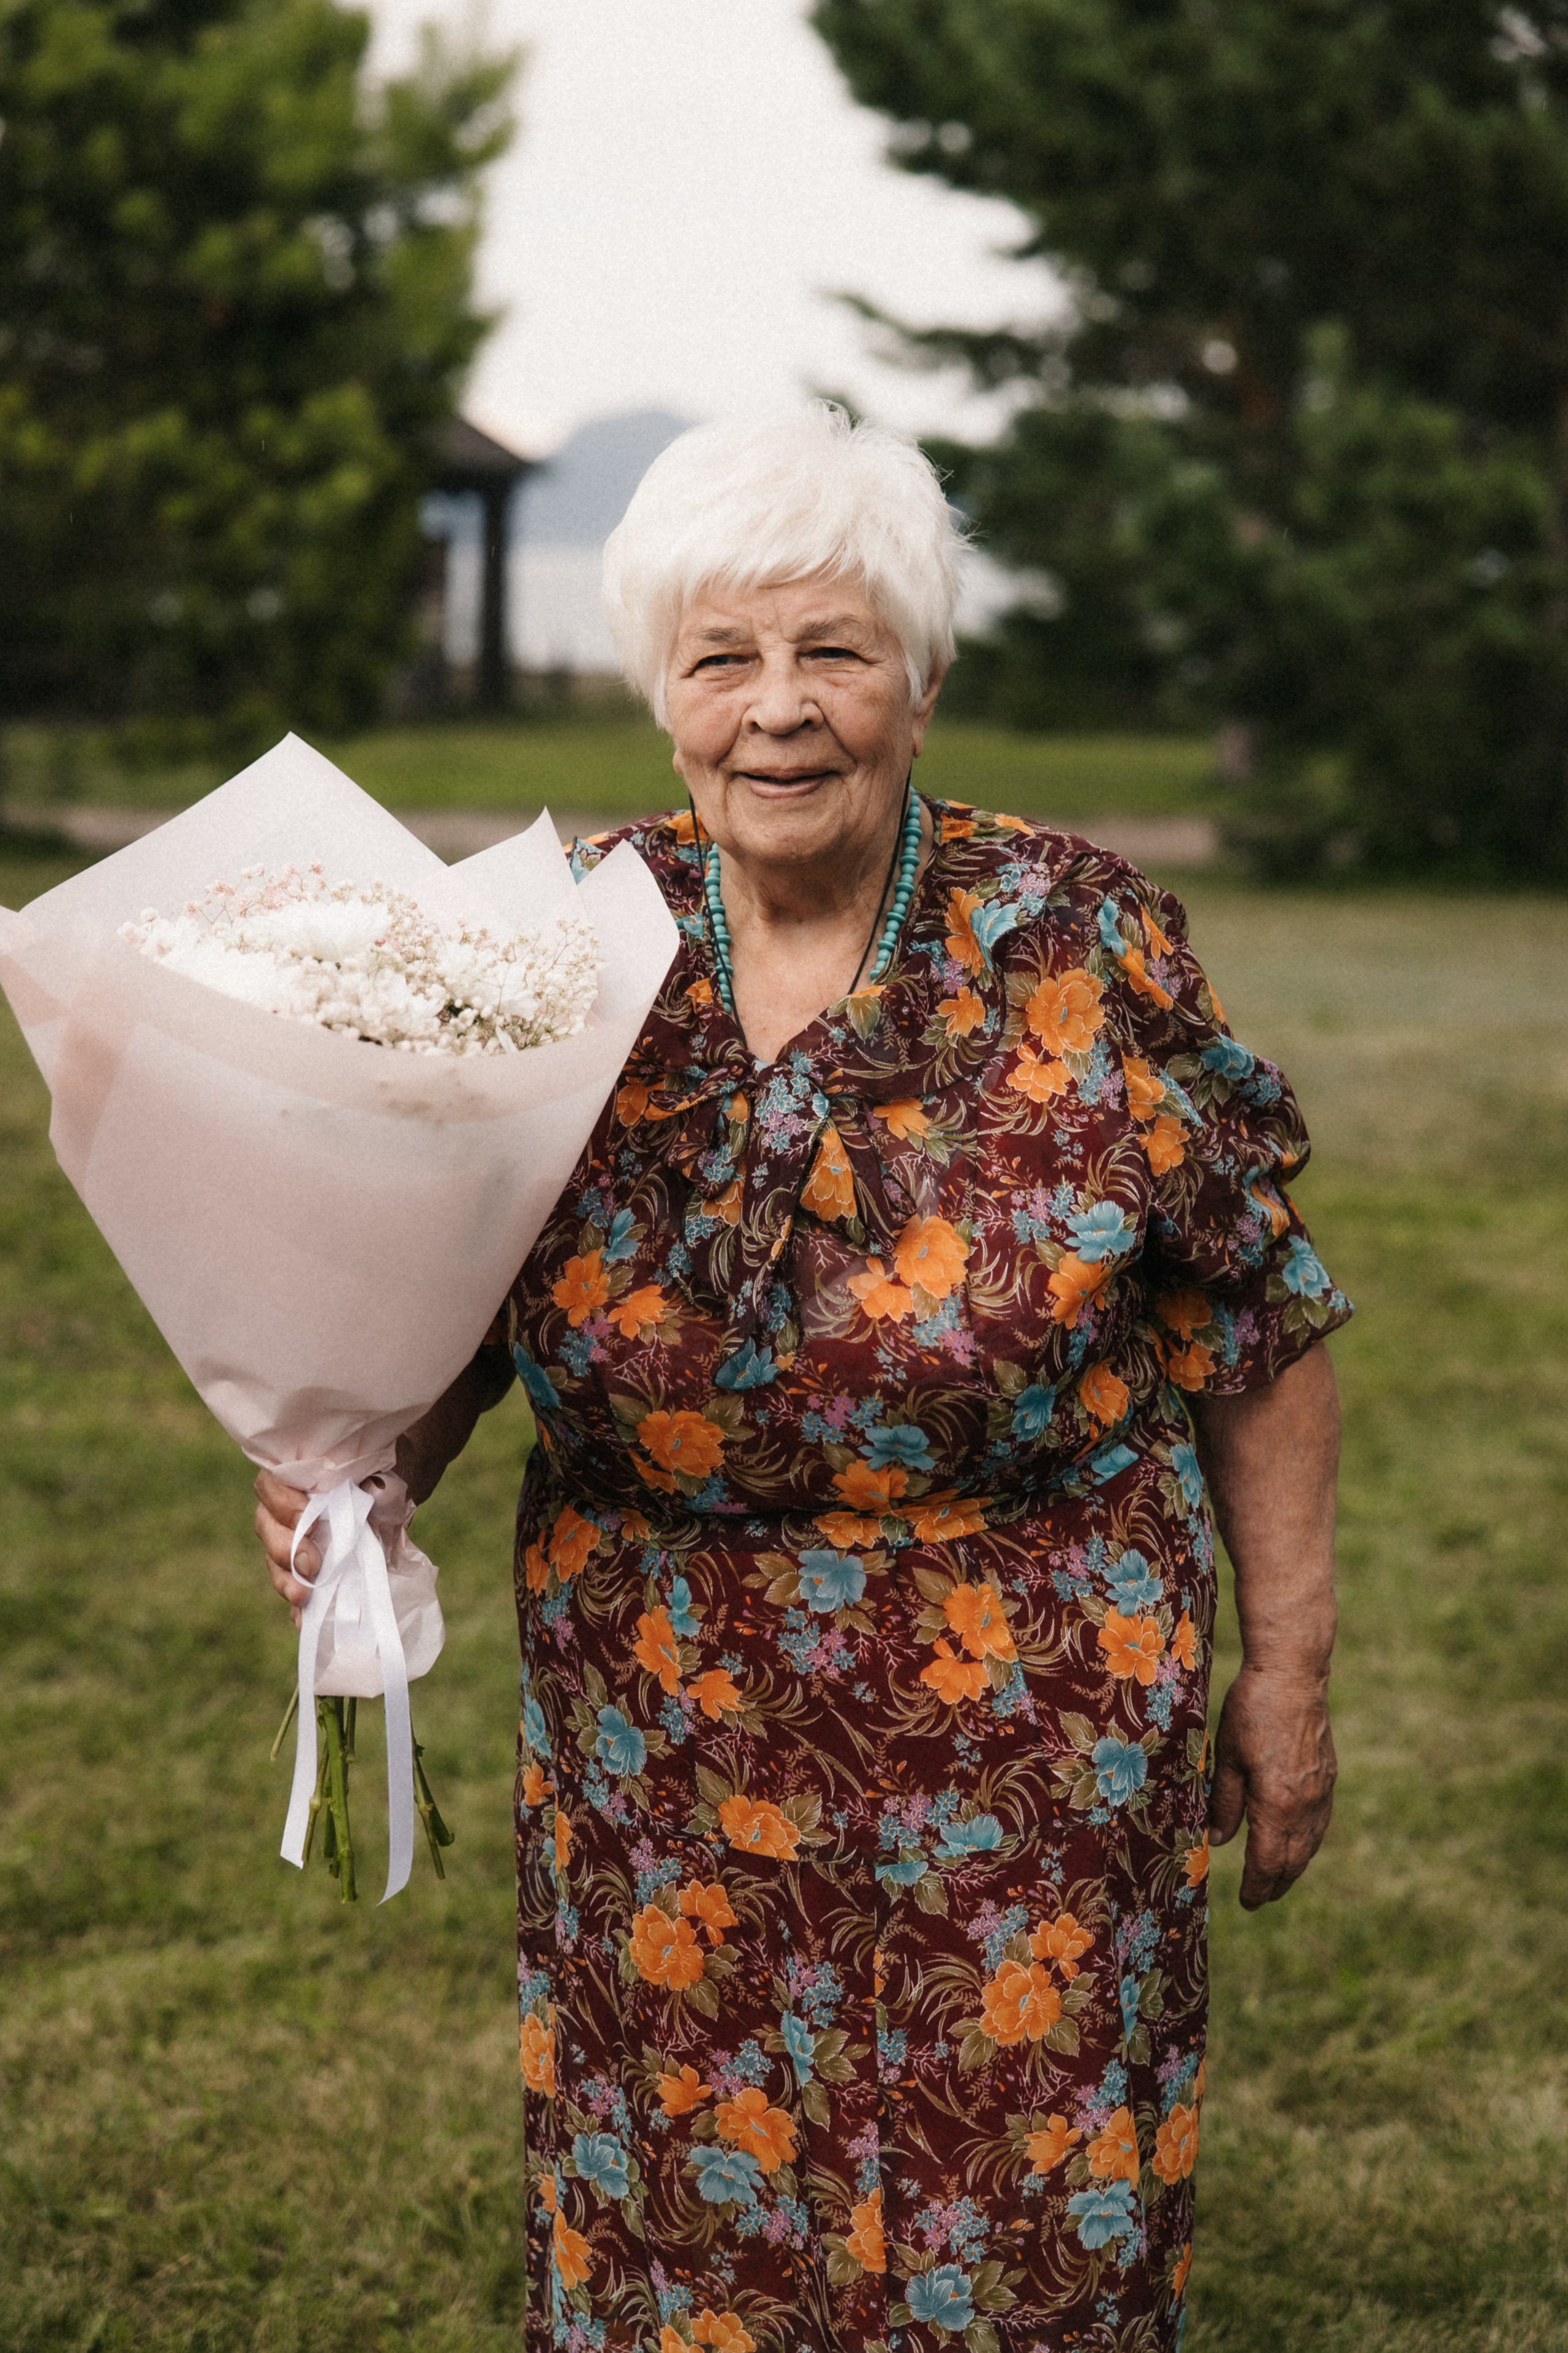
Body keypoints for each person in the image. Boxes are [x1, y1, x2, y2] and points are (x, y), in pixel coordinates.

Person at [255, 405, 1350, 2353]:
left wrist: (1290, 1673)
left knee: (1015, 2239)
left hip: (1031, 1752)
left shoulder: (1078, 944)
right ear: (661, 693)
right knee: (681, 2227)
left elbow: (1251, 1321)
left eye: (834, 651)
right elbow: (446, 1302)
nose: (780, 709)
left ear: (921, 681)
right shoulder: (561, 950)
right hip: (658, 1757)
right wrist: (358, 1464)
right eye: (723, 656)